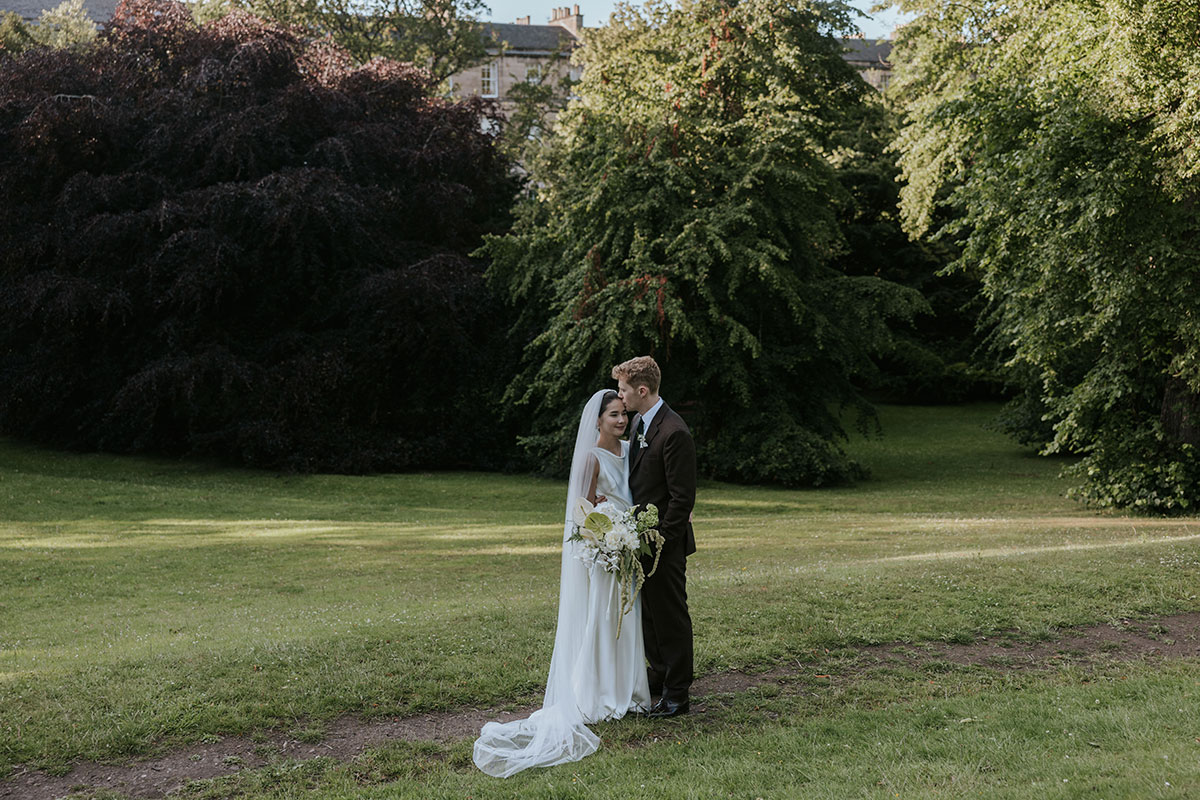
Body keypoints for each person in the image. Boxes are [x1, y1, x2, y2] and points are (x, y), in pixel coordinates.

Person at [472, 390, 650, 778]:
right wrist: (606, 532)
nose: (621, 421)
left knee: (628, 615)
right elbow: (582, 513)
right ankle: (601, 694)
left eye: (623, 414)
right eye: (614, 415)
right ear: (598, 421)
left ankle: (631, 691)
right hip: (605, 548)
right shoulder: (591, 457)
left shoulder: (630, 450)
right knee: (604, 619)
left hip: (629, 543)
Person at [612, 356, 696, 718]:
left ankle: (678, 694)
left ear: (642, 390)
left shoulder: (674, 431)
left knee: (671, 616)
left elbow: (682, 499)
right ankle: (659, 676)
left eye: (624, 390)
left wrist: (659, 541)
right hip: (638, 542)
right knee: (649, 617)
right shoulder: (641, 426)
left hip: (664, 546)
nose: (620, 397)